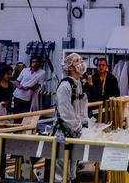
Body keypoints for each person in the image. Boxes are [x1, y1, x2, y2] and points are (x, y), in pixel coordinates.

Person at [53, 53, 90, 182]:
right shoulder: (65, 86)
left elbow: (82, 107)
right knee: (62, 166)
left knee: (73, 165)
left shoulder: (79, 84)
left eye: (81, 60)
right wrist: (76, 127)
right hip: (64, 132)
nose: (81, 63)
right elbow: (65, 112)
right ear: (69, 67)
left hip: (76, 132)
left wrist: (84, 125)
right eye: (76, 61)